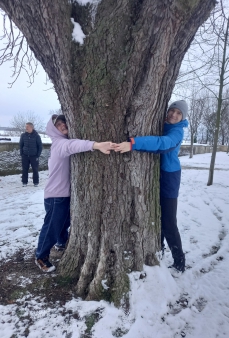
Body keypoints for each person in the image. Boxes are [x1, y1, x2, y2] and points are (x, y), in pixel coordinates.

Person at [114, 100, 189, 273]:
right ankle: (159, 250)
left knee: (168, 221)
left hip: (170, 177)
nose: (174, 115)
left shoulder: (177, 132)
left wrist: (133, 144)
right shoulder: (162, 124)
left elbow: (163, 144)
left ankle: (179, 262)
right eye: (172, 110)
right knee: (157, 214)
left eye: (179, 113)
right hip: (159, 175)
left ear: (182, 117)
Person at [35, 114, 113, 272]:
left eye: (63, 122)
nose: (63, 125)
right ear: (52, 129)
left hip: (61, 194)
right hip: (55, 195)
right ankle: (41, 256)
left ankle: (62, 243)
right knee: (52, 226)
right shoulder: (60, 144)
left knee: (64, 222)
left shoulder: (58, 143)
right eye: (58, 125)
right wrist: (97, 145)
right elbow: (74, 146)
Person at [19, 122, 42, 187]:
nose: (26, 128)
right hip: (25, 156)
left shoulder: (37, 136)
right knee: (24, 169)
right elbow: (21, 145)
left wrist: (37, 155)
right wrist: (22, 153)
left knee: (35, 169)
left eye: (27, 127)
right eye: (26, 127)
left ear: (31, 128)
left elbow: (40, 146)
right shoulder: (23, 135)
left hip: (34, 156)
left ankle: (36, 182)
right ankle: (24, 182)